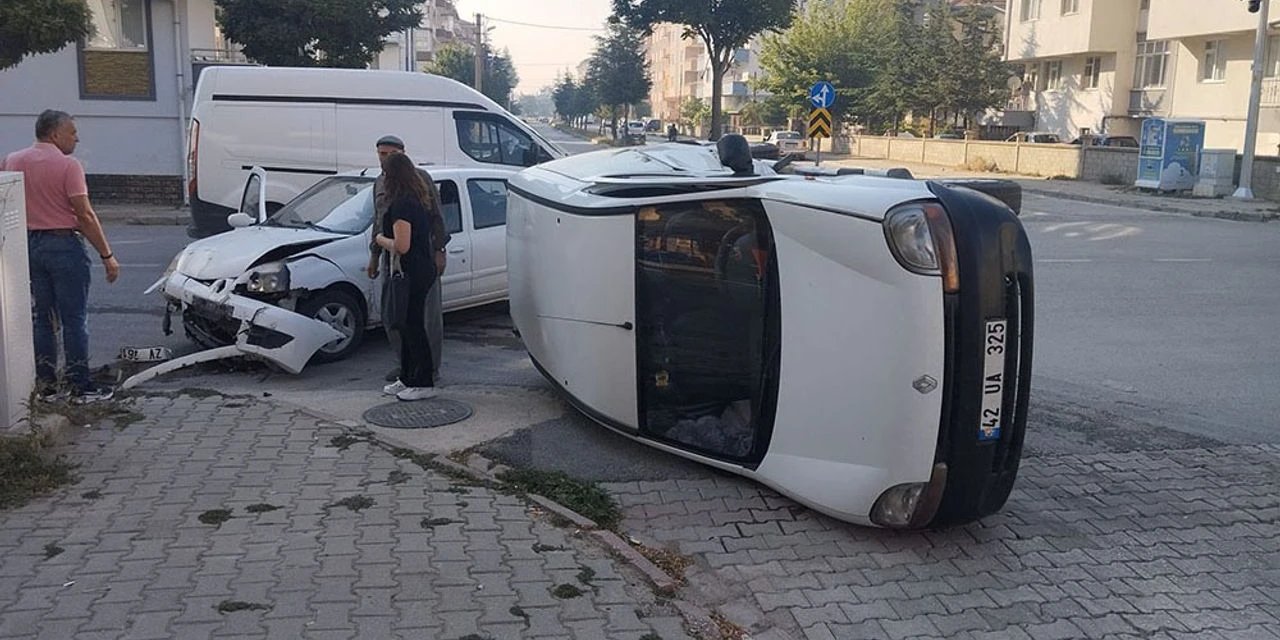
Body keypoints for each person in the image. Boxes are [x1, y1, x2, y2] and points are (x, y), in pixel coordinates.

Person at [0, 109, 119, 402]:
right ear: (55, 134)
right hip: (63, 245)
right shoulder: (68, 166)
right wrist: (107, 255)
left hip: (29, 246)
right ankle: (80, 385)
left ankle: (47, 385)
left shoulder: (13, 160)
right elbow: (85, 214)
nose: (77, 138)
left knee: (43, 317)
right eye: (72, 132)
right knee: (74, 319)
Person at [365, 135, 449, 384]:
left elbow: (436, 217)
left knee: (425, 317)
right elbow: (378, 221)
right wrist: (374, 255)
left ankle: (429, 369)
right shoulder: (380, 183)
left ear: (403, 153)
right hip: (392, 260)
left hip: (418, 258)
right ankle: (405, 365)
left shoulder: (419, 180)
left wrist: (440, 250)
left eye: (391, 154)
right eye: (381, 154)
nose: (385, 159)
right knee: (395, 315)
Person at [374, 153, 439, 401]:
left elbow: (402, 245)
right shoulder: (415, 199)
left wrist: (380, 239)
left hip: (413, 272)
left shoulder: (402, 205)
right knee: (404, 323)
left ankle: (424, 381)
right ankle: (407, 376)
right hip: (419, 270)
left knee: (412, 326)